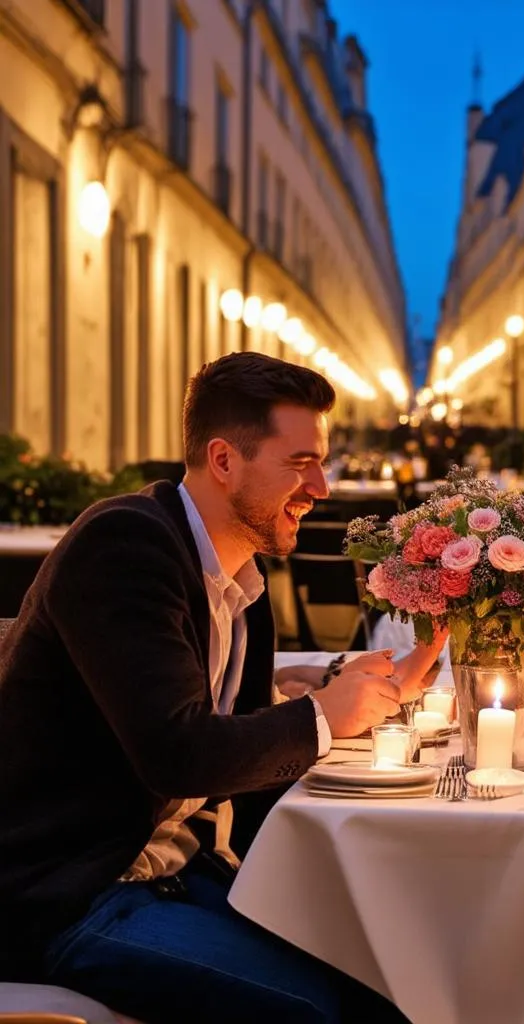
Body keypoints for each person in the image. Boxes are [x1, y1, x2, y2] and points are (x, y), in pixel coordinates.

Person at [0, 352, 445, 1023]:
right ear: (224, 460)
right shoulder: (123, 544)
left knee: (395, 974)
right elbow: (180, 752)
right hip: (65, 894)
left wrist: (375, 688)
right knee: (320, 1009)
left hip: (172, 875)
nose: (321, 486)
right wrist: (323, 714)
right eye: (300, 463)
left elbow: (234, 732)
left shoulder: (239, 576)